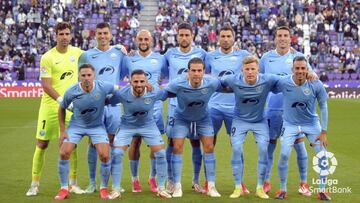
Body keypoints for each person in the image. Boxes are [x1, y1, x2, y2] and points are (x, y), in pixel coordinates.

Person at [26, 22, 84, 197]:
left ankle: (73, 183)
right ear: (56, 35)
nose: (64, 37)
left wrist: (117, 47)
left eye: (67, 34)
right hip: (50, 107)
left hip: (71, 108)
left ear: (71, 35)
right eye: (61, 34)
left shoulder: (78, 53)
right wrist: (62, 101)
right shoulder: (47, 57)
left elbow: (98, 54)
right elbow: (46, 85)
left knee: (71, 145)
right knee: (42, 144)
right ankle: (34, 184)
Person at [260, 26, 314, 195]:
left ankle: (303, 183)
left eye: (285, 36)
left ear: (290, 38)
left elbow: (311, 76)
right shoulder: (266, 58)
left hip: (293, 112)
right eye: (279, 36)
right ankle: (266, 182)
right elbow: (259, 81)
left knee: (299, 146)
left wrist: (312, 76)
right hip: (272, 110)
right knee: (270, 146)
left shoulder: (298, 58)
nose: (282, 38)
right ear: (275, 39)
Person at [221, 55, 282, 199]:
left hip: (259, 121)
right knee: (236, 149)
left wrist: (309, 75)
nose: (249, 72)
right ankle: (237, 187)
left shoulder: (267, 79)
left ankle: (260, 188)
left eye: (252, 69)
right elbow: (217, 82)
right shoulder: (233, 79)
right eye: (246, 69)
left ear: (258, 70)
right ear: (242, 70)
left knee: (263, 150)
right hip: (239, 120)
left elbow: (285, 80)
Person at [55, 64, 118, 200]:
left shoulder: (103, 86)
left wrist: (109, 100)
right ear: (79, 76)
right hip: (76, 125)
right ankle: (64, 188)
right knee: (64, 152)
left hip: (96, 126)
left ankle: (103, 188)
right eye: (83, 75)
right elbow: (61, 108)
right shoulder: (72, 91)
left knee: (105, 155)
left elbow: (119, 91)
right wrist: (62, 130)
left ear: (94, 76)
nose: (86, 78)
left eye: (89, 75)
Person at [108, 69, 172, 199]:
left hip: (148, 125)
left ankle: (161, 188)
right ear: (130, 82)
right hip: (127, 126)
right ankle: (115, 189)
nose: (138, 84)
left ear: (146, 82)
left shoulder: (153, 92)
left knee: (160, 153)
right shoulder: (122, 93)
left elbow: (167, 94)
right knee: (117, 153)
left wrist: (157, 87)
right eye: (135, 81)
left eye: (142, 81)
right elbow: (108, 101)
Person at [78, 22, 125, 194]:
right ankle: (92, 182)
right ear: (95, 35)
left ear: (111, 35)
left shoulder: (119, 53)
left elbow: (128, 73)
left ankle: (110, 183)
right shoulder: (87, 55)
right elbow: (80, 81)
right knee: (93, 142)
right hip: (94, 106)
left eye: (106, 33)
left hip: (113, 105)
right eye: (99, 33)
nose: (103, 36)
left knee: (111, 142)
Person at [275, 56, 330, 201]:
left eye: (303, 68)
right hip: (290, 124)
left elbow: (323, 106)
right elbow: (268, 84)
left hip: (311, 124)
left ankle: (322, 191)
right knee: (284, 154)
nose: (300, 71)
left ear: (307, 69)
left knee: (323, 155)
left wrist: (324, 131)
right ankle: (282, 189)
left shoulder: (315, 83)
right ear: (292, 69)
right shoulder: (284, 82)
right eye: (297, 68)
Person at [166, 57, 221, 198]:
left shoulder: (212, 82)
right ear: (188, 72)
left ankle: (212, 186)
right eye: (193, 70)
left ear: (204, 72)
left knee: (209, 147)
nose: (196, 73)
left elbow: (227, 85)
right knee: (177, 147)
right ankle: (177, 185)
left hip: (203, 118)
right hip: (182, 118)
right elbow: (164, 93)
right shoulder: (178, 83)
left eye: (199, 70)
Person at [205, 24, 250, 194]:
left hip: (235, 108)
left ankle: (240, 183)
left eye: (228, 36)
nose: (225, 39)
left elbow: (255, 70)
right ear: (218, 39)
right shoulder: (210, 56)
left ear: (233, 38)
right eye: (222, 36)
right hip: (214, 107)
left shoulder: (243, 55)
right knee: (209, 144)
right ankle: (209, 182)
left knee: (237, 145)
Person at [121, 29, 167, 193]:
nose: (143, 41)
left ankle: (152, 177)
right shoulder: (129, 59)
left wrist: (156, 87)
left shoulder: (160, 59)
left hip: (154, 108)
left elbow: (168, 76)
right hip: (134, 107)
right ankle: (135, 179)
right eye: (140, 39)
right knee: (135, 142)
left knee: (156, 145)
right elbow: (120, 77)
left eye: (146, 39)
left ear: (151, 40)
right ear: (136, 40)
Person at [163, 22, 207, 193]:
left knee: (196, 142)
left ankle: (196, 180)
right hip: (175, 106)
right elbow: (159, 71)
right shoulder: (169, 54)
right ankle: (171, 180)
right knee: (172, 142)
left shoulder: (201, 54)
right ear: (177, 36)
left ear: (192, 36)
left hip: (195, 105)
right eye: (181, 35)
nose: (184, 38)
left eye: (187, 35)